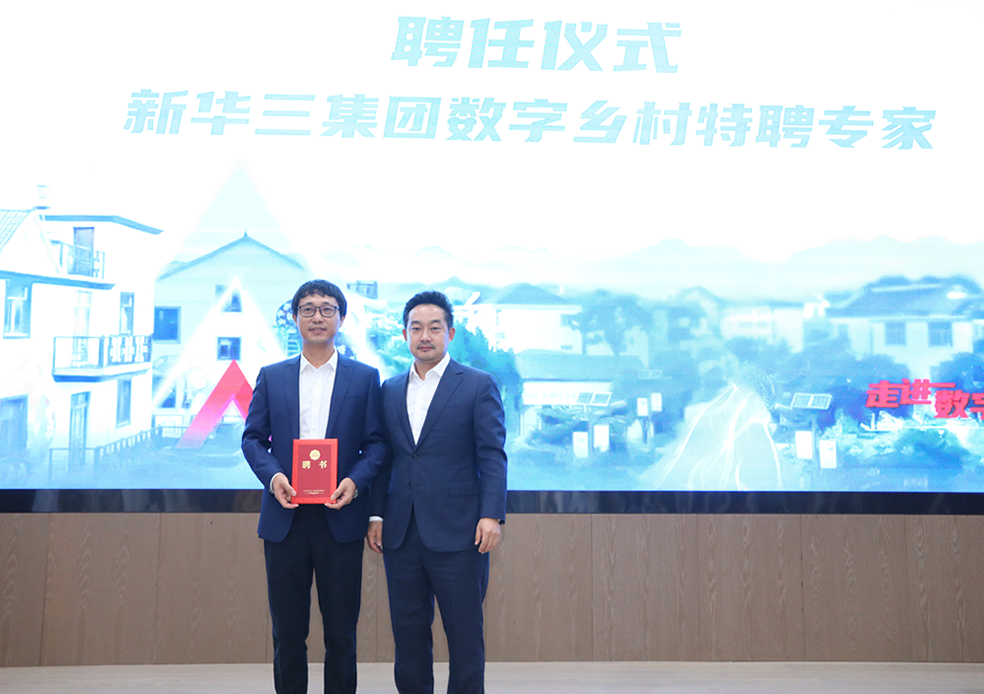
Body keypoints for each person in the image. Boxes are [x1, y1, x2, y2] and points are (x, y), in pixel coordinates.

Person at [242, 279, 386, 694]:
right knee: (288, 632)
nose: (317, 316)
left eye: (327, 309)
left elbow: (377, 444)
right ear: (295, 318)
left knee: (341, 632)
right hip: (284, 519)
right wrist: (274, 477)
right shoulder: (272, 376)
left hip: (340, 519)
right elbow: (253, 439)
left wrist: (354, 482)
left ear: (341, 318)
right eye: (308, 309)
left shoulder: (364, 378)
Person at [367, 290, 507, 694]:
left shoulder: (477, 385)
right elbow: (386, 458)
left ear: (450, 333)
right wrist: (376, 514)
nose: (424, 336)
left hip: (461, 533)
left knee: (464, 636)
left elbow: (492, 455)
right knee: (408, 635)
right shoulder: (390, 388)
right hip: (401, 533)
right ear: (405, 334)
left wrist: (491, 515)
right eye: (416, 328)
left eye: (434, 327)